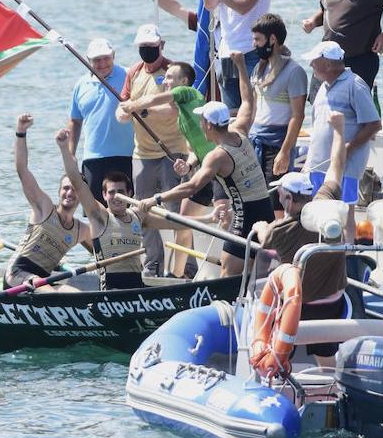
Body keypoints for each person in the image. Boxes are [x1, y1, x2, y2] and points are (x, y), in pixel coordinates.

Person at [138, 52, 275, 275]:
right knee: (255, 275)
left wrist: (156, 199)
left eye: (202, 120)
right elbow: (248, 100)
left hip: (245, 217)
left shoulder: (217, 155)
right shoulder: (240, 130)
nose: (200, 124)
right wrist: (241, 66)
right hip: (265, 210)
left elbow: (191, 187)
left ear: (209, 125)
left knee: (228, 274)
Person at [255, 112, 351, 365]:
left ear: (287, 198)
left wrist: (261, 225)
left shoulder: (279, 231)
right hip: (335, 303)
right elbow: (336, 165)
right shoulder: (326, 203)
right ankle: (329, 385)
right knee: (326, 358)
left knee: (276, 332)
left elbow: (265, 239)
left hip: (302, 307)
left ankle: (277, 369)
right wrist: (339, 130)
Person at [119, 59, 214, 278]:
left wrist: (134, 105)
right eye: (166, 77)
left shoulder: (188, 92)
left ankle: (192, 270)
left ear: (184, 80)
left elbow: (153, 99)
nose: (165, 80)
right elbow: (192, 148)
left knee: (186, 217)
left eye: (170, 77)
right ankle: (179, 275)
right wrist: (188, 163)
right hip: (202, 165)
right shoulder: (183, 117)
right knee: (182, 220)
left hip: (217, 165)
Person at [117, 24, 187, 277]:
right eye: (143, 47)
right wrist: (126, 113)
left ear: (162, 45)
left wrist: (143, 111)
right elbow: (124, 106)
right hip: (143, 153)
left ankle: (184, 266)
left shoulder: (172, 72)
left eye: (152, 47)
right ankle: (153, 262)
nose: (148, 51)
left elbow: (176, 109)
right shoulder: (134, 72)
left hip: (173, 151)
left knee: (176, 212)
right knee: (141, 211)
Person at [3, 114, 88, 289]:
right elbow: (22, 169)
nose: (69, 193)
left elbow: (105, 247)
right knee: (53, 292)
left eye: (74, 189)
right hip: (18, 274)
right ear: (59, 191)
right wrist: (21, 132)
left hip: (43, 280)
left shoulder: (82, 230)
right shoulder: (45, 208)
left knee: (72, 293)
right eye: (65, 188)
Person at [56, 131, 146, 290]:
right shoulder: (99, 216)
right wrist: (64, 149)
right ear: (104, 195)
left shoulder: (138, 215)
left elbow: (175, 223)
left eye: (121, 192)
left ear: (130, 194)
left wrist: (204, 220)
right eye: (112, 192)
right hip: (111, 291)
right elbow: (77, 181)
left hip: (138, 288)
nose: (116, 196)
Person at [202, 0, 272, 111]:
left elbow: (242, 7)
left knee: (253, 110)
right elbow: (210, 5)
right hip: (227, 50)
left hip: (252, 51)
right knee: (232, 112)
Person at [248, 14, 307, 215]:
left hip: (276, 144)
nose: (254, 44)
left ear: (272, 39)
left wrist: (284, 151)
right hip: (257, 140)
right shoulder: (259, 68)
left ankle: (276, 242)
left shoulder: (294, 71)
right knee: (257, 200)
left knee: (275, 203)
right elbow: (254, 107)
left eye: (257, 40)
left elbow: (298, 116)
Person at [303, 41, 382, 183]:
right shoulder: (323, 87)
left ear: (327, 64)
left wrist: (348, 149)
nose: (310, 65)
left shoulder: (355, 85)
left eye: (314, 61)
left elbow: (374, 124)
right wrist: (309, 162)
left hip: (345, 171)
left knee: (342, 206)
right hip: (317, 168)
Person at [68, 37, 134, 202]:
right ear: (88, 61)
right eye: (97, 60)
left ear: (114, 56)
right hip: (93, 158)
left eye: (106, 58)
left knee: (129, 209)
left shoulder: (129, 75)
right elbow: (75, 121)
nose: (102, 63)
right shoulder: (81, 84)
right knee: (95, 212)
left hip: (128, 155)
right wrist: (70, 154)